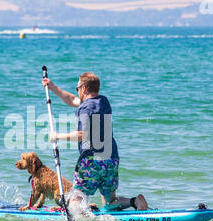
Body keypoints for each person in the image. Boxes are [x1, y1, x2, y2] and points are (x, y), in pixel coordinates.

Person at [42, 72, 149, 211]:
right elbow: (72, 99)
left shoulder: (85, 108)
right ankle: (135, 202)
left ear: (84, 88)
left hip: (91, 161)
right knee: (110, 202)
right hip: (111, 158)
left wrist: (57, 136)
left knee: (76, 197)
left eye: (78, 88)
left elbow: (82, 134)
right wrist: (53, 87)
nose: (77, 91)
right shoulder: (104, 101)